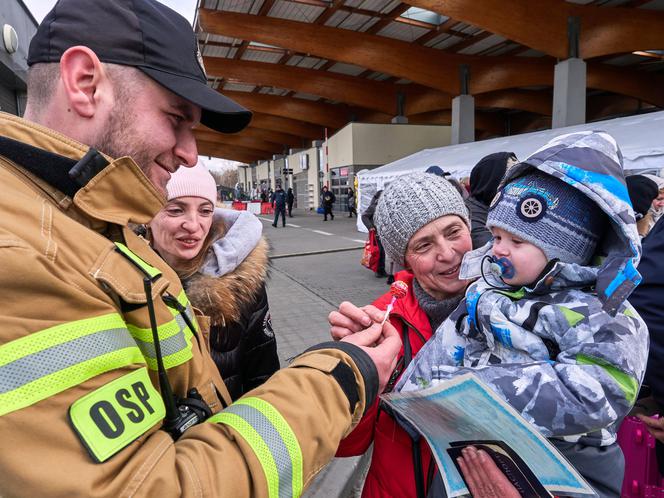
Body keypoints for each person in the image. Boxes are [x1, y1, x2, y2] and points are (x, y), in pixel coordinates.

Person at [0, 1, 402, 495]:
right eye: (176, 118)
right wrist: (342, 376)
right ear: (85, 83)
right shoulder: (20, 253)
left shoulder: (93, 225)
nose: (191, 151)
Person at [398, 131, 648, 498]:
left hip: (568, 454)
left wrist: (481, 391)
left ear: (566, 250)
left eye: (516, 242)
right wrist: (414, 401)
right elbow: (446, 343)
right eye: (497, 237)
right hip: (481, 439)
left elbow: (599, 390)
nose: (498, 250)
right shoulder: (488, 289)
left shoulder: (602, 314)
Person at [330, 172, 473, 497]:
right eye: (424, 245)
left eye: (454, 232)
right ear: (403, 259)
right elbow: (348, 445)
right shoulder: (381, 324)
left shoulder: (515, 307)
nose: (448, 254)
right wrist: (357, 378)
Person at [148, 164, 280, 400]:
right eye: (176, 210)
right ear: (148, 214)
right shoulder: (120, 277)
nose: (193, 225)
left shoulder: (241, 279)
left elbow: (263, 377)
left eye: (205, 211)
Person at [465, 152, 517, 249]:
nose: (519, 186)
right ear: (492, 181)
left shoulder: (498, 208)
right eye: (512, 180)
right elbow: (498, 252)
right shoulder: (470, 218)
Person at [361, 190, 387, 278]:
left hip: (381, 233)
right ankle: (378, 271)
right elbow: (364, 216)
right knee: (378, 252)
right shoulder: (374, 206)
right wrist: (370, 227)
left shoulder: (383, 207)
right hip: (375, 234)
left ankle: (381, 270)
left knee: (382, 252)